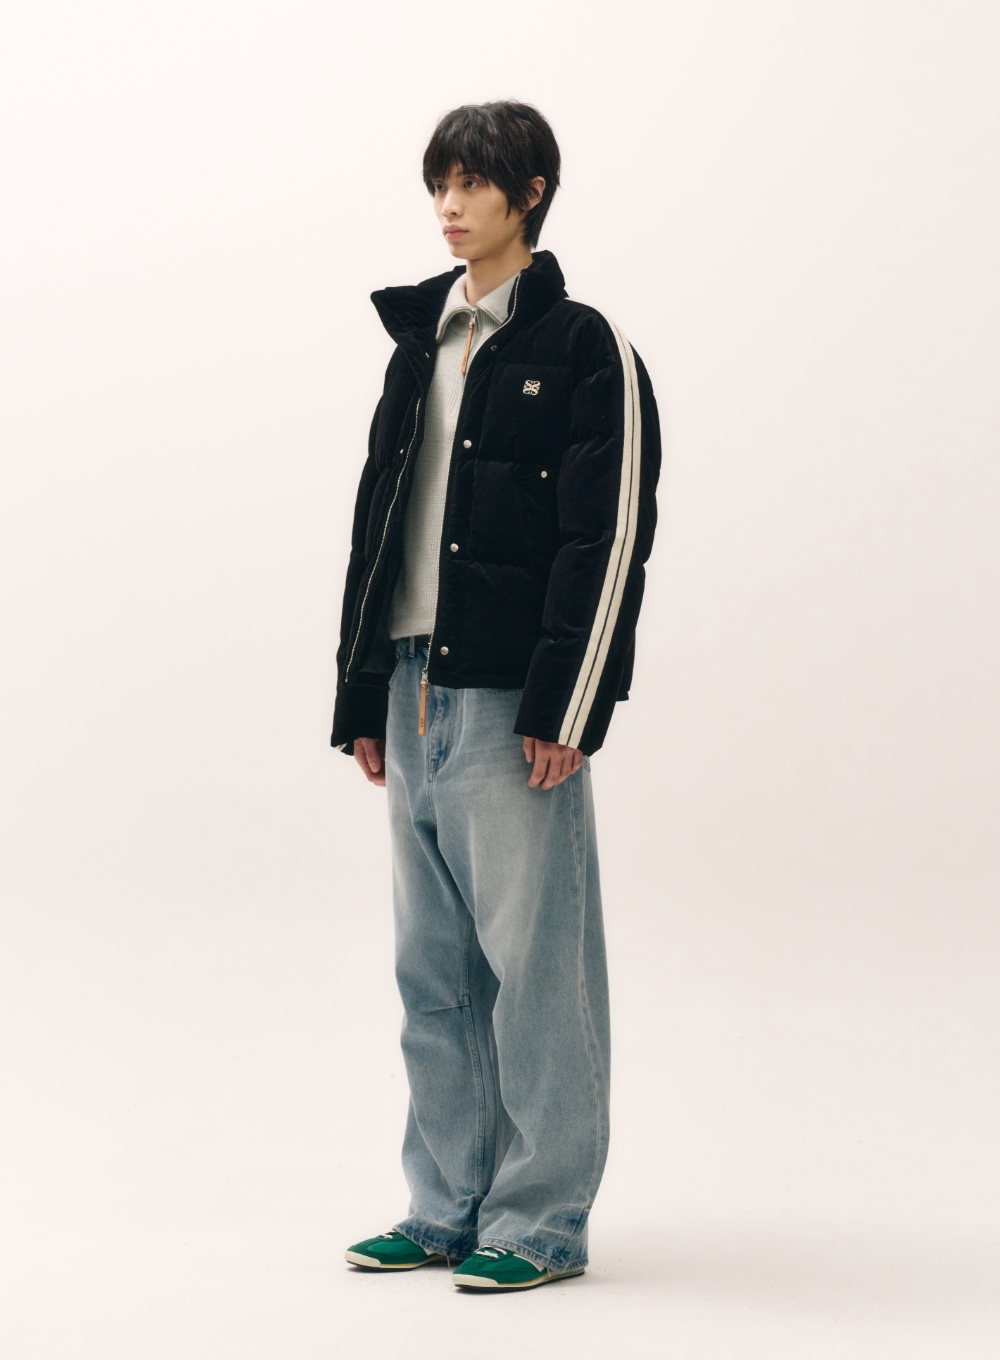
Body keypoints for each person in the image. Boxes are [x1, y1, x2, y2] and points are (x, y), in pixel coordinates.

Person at [331, 101, 660, 1291]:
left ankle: (541, 1219)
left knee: (535, 969)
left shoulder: (583, 346)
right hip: (412, 684)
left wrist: (566, 707)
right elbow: (378, 526)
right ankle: (446, 1205)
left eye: (472, 183)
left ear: (530, 194)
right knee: (433, 970)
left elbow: (606, 537)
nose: (449, 205)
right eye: (440, 184)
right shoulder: (418, 343)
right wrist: (361, 690)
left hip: (511, 697)